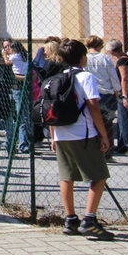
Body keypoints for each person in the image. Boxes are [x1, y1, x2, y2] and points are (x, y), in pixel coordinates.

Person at [48, 40, 114, 241]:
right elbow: (93, 106)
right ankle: (90, 219)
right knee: (99, 175)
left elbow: (51, 109)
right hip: (83, 133)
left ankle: (70, 219)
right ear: (83, 58)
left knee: (66, 176)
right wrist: (103, 134)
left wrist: (52, 136)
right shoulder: (86, 77)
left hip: (61, 134)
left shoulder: (57, 78)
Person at [84, 36, 122, 155]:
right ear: (99, 45)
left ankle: (93, 150)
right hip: (106, 94)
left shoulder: (84, 59)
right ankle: (108, 151)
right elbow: (113, 76)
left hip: (90, 93)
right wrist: (117, 90)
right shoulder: (105, 58)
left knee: (91, 123)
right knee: (107, 123)